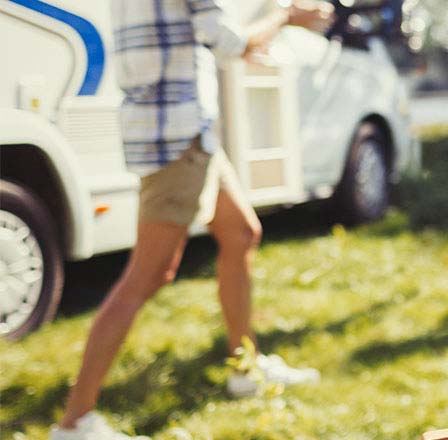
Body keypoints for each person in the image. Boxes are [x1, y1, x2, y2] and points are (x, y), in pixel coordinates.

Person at [52, 1, 333, 438]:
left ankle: (245, 368)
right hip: (177, 140)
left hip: (186, 133)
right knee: (147, 276)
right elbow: (229, 41)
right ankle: (74, 422)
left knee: (241, 233)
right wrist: (285, 15)